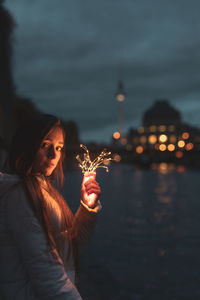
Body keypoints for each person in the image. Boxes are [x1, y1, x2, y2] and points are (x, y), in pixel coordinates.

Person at [0, 114, 101, 300]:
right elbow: (47, 272)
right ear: (27, 145)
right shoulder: (20, 195)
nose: (53, 155)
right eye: (45, 145)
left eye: (59, 147)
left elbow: (71, 245)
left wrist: (88, 207)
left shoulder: (42, 189)